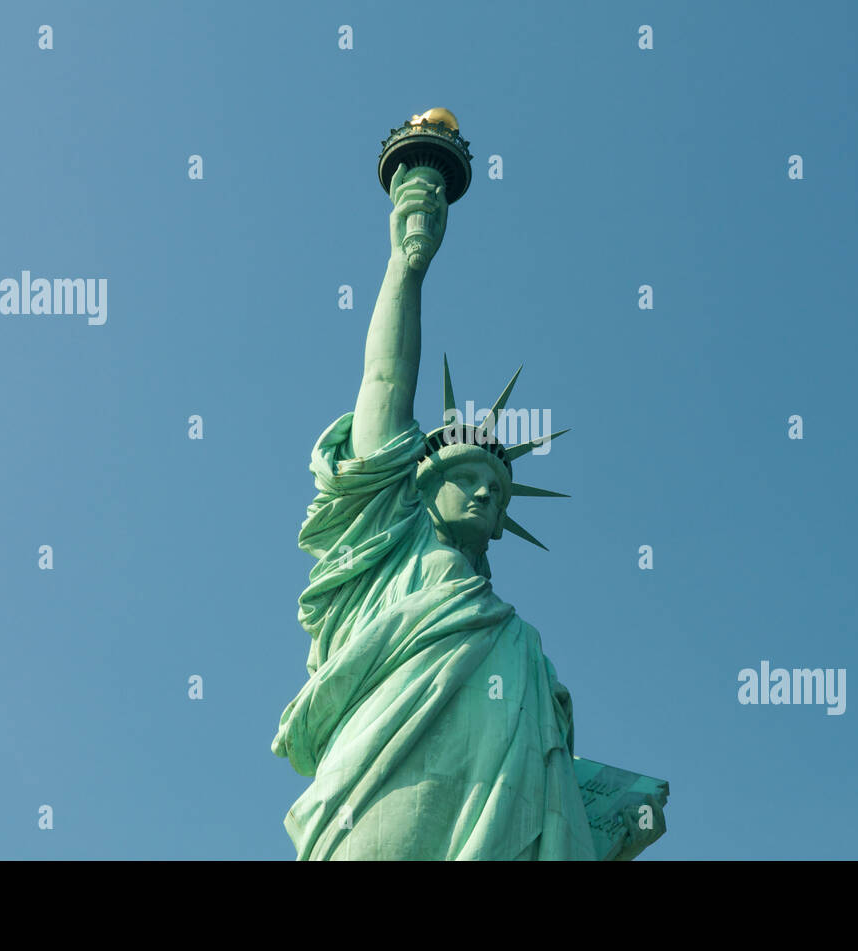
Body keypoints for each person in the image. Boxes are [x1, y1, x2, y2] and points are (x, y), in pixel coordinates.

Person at [271, 163, 636, 859]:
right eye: (466, 478)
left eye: (495, 491)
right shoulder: (389, 541)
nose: (482, 493)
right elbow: (384, 380)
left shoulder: (517, 641)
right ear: (421, 482)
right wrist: (407, 264)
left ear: (504, 520)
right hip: (376, 797)